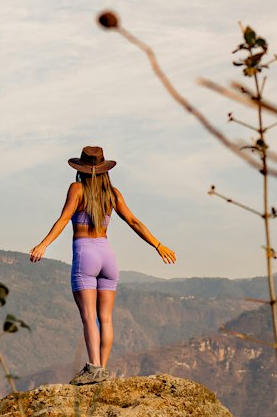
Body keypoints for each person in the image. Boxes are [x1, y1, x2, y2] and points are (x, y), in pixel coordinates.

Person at [30, 144, 176, 385]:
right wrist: (158, 245)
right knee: (106, 318)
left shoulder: (77, 189)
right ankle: (103, 369)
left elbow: (64, 219)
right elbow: (134, 222)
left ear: (82, 168)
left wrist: (43, 244)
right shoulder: (113, 193)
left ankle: (94, 370)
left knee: (89, 317)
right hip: (108, 256)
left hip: (85, 254)